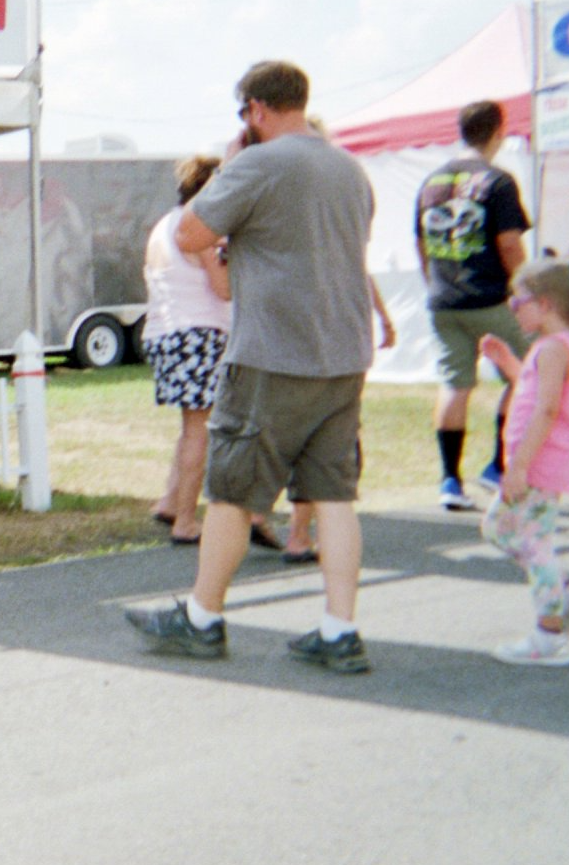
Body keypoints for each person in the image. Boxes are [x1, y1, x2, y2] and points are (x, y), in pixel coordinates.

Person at [125, 60, 379, 673]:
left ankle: (203, 618)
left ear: (256, 109)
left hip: (273, 352)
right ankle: (340, 629)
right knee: (334, 494)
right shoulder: (350, 169)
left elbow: (190, 233)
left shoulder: (259, 163)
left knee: (233, 490)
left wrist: (237, 160)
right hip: (343, 352)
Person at [477, 260, 569, 665]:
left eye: (518, 302)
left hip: (539, 463)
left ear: (546, 303)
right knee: (500, 529)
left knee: (534, 543)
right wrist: (508, 364)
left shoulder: (554, 348)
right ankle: (566, 593)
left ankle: (549, 637)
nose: (512, 309)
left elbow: (547, 410)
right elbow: (535, 393)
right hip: (540, 461)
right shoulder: (561, 346)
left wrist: (518, 468)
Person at [415, 99, 531, 511]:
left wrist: (435, 283)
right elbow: (510, 243)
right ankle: (498, 465)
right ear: (498, 131)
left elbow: (422, 244)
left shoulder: (431, 181)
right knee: (524, 375)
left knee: (454, 385)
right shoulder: (498, 181)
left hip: (444, 298)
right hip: (491, 295)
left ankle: (450, 479)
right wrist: (525, 291)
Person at [142, 156, 235, 544]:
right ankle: (185, 520)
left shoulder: (164, 224)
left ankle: (169, 500)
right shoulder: (200, 228)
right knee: (201, 430)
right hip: (198, 332)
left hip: (163, 330)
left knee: (189, 427)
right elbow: (223, 289)